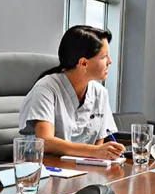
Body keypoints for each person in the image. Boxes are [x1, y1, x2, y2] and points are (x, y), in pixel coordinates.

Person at [18, 25, 124, 159]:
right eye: (104, 57)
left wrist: (103, 153)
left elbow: (99, 147)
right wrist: (95, 151)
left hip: (83, 171)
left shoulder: (100, 93)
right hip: (45, 170)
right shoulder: (46, 89)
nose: (110, 61)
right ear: (83, 63)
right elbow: (45, 142)